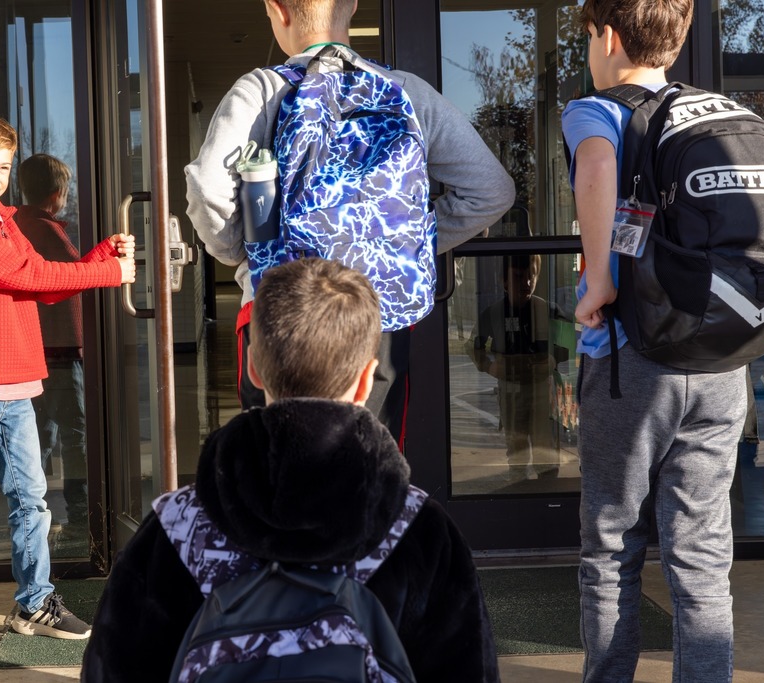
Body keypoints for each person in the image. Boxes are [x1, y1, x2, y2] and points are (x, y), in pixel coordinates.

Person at [80, 257, 500, 682]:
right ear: (366, 380)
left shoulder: (176, 527)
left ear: (253, 369)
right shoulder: (418, 528)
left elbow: (111, 669)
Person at [185, 0, 515, 445]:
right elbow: (492, 191)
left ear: (276, 9)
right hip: (379, 316)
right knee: (370, 464)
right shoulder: (407, 92)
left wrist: (242, 254)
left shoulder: (261, 90)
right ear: (353, 5)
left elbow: (208, 190)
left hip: (281, 308)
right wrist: (404, 245)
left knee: (277, 465)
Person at [561, 2, 747, 681]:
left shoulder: (597, 109)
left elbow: (596, 171)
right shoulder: (712, 111)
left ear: (607, 37)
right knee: (701, 557)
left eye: (587, 38)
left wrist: (599, 282)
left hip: (630, 363)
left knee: (611, 550)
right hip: (720, 360)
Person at [0, 112, 136, 657]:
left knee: (32, 498)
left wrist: (96, 258)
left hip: (17, 379)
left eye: (2, 167)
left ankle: (34, 603)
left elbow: (41, 284)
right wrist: (106, 274)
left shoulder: (2, 219)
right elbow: (26, 277)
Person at [15, 153, 88, 538]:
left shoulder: (16, 225)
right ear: (58, 194)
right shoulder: (46, 230)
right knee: (75, 431)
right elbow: (75, 274)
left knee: (40, 432)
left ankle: (33, 512)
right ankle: (80, 510)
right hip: (60, 351)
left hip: (34, 350)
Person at [466, 254, 558, 481]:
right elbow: (472, 345)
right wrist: (488, 367)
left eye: (531, 276)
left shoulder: (547, 310)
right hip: (510, 388)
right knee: (516, 447)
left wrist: (554, 360)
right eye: (518, 277)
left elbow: (569, 343)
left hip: (541, 388)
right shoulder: (494, 313)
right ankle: (518, 488)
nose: (527, 283)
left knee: (544, 446)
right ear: (503, 282)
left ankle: (547, 491)